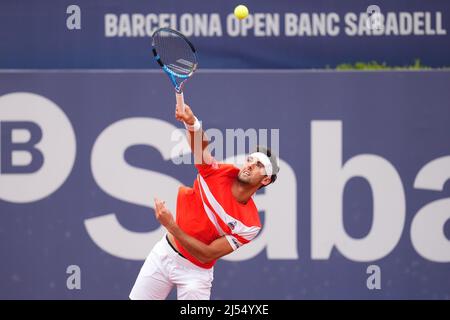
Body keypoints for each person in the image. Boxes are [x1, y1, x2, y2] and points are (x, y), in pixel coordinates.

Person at [129, 101, 279, 300]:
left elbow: (207, 254)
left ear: (266, 179)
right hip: (163, 253)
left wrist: (171, 226)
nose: (250, 165)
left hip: (196, 275)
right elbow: (201, 150)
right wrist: (192, 123)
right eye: (250, 159)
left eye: (259, 165)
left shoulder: (250, 224)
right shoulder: (219, 173)